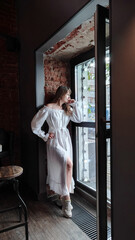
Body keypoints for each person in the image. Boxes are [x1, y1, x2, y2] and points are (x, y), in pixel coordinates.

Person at [31, 86, 82, 218]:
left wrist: (75, 105)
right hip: (54, 142)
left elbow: (78, 119)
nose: (69, 97)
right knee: (68, 164)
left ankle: (63, 197)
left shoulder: (67, 109)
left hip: (66, 140)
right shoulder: (49, 108)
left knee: (66, 167)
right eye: (67, 95)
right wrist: (45, 135)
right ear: (61, 95)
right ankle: (67, 202)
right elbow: (34, 125)